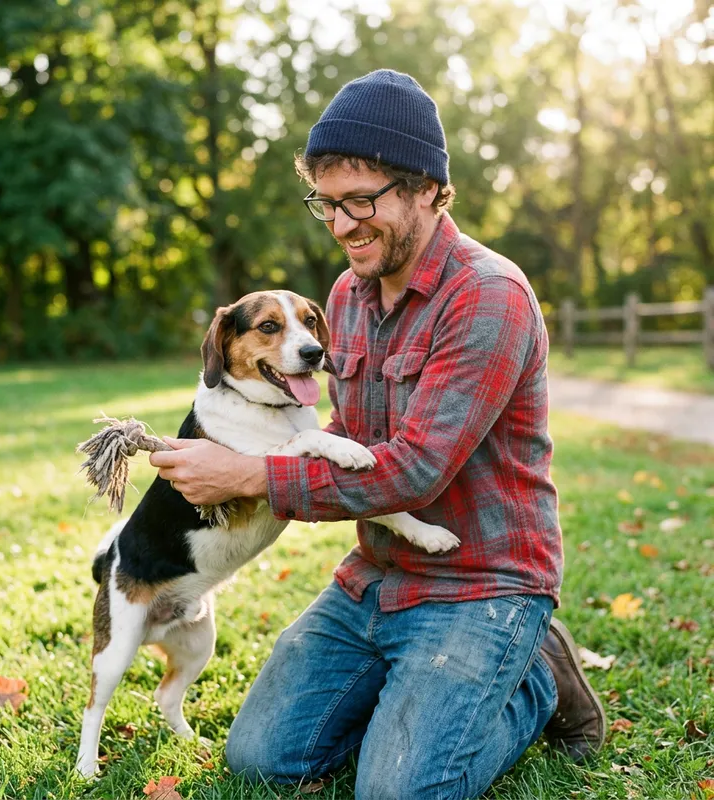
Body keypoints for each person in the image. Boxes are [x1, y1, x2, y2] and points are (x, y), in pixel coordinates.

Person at [150, 69, 606, 799]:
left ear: (426, 187)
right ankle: (415, 695)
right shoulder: (343, 295)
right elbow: (348, 432)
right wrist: (253, 447)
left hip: (482, 582)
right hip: (379, 576)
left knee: (397, 792)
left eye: (360, 200)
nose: (341, 224)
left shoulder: (489, 297)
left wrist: (249, 477)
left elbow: (415, 471)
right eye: (326, 204)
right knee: (261, 760)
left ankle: (535, 683)